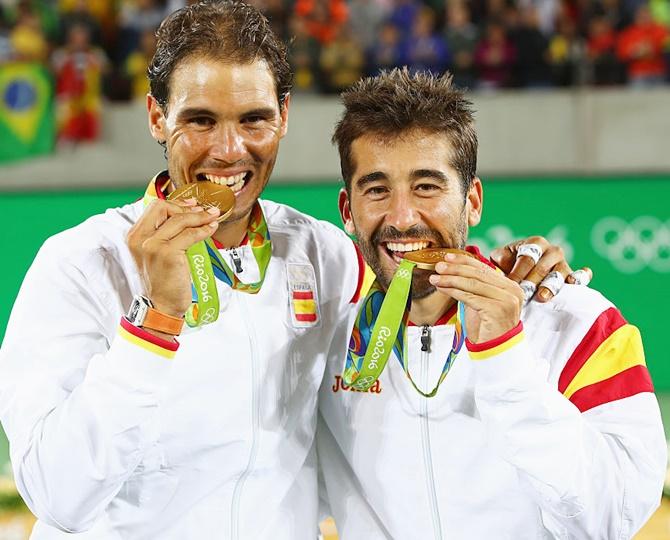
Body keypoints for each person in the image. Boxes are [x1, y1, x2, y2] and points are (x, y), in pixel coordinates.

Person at [0, 2, 587, 538]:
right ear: (157, 116)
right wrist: (153, 324)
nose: (229, 150)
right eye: (201, 120)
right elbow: (58, 497)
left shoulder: (325, 256)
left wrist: (522, 264)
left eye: (253, 120)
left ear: (283, 116)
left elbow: (414, 283)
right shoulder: (79, 264)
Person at [317, 68, 666, 539]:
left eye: (427, 187)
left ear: (473, 201)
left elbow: (613, 517)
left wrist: (504, 357)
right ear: (347, 211)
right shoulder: (323, 346)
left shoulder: (579, 325)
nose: (401, 217)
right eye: (377, 190)